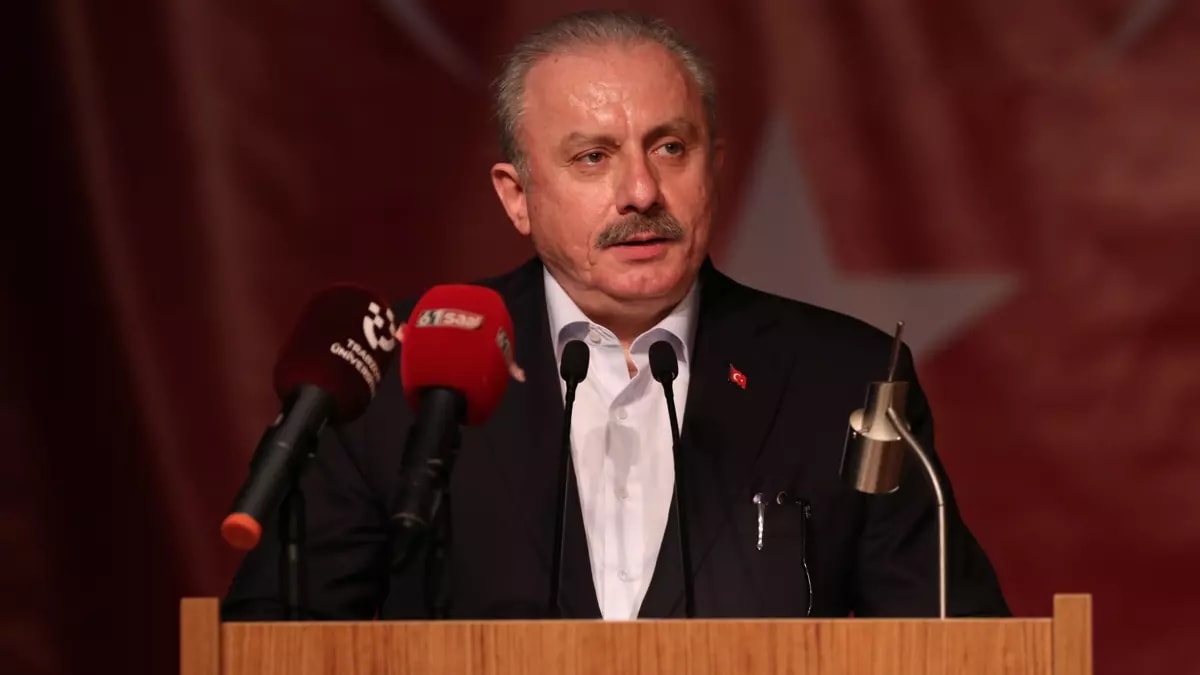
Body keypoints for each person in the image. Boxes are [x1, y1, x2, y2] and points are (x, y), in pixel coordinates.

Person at [221, 9, 1009, 621]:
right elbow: (273, 637)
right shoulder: (396, 374)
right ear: (517, 196)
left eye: (670, 148)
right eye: (592, 156)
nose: (640, 191)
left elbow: (957, 644)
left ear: (713, 168)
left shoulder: (843, 379)